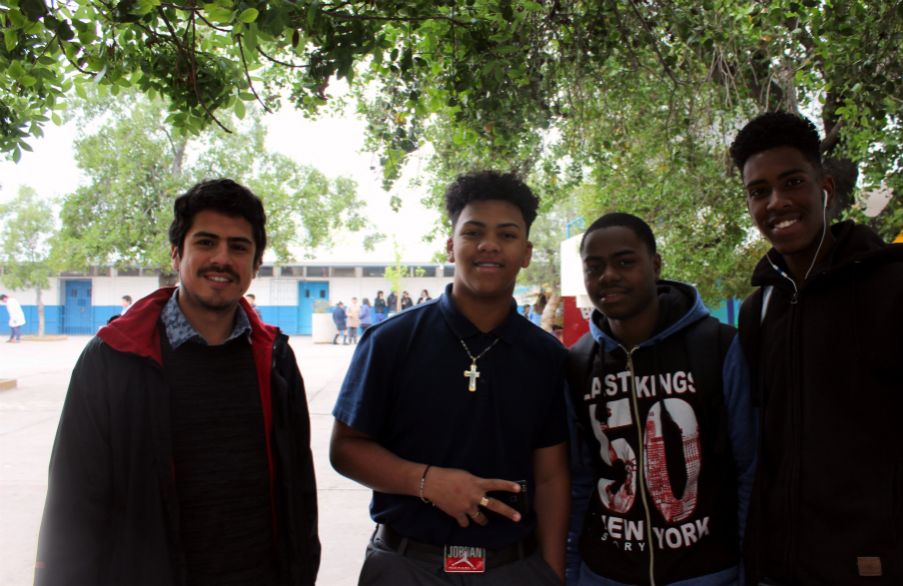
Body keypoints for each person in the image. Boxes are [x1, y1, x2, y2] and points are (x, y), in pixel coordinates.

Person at [730, 111, 903, 585]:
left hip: (880, 569)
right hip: (779, 571)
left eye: (792, 182)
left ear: (825, 188)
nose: (777, 201)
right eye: (759, 190)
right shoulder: (760, 311)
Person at [34, 178, 321, 586]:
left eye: (239, 247)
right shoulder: (113, 358)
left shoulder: (276, 360)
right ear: (176, 253)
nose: (221, 258)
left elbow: (299, 489)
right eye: (206, 242)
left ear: (256, 265)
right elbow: (74, 501)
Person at [330, 170, 570, 585]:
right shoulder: (391, 341)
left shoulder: (547, 356)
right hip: (406, 566)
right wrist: (427, 482)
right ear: (450, 245)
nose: (489, 245)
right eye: (473, 232)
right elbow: (346, 449)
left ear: (526, 253)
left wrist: (551, 573)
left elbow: (550, 477)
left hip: (513, 570)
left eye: (507, 235)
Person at [565, 213, 755, 586]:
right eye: (594, 267)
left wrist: (749, 568)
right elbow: (579, 479)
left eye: (624, 262)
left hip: (707, 572)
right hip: (606, 573)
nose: (608, 276)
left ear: (655, 265)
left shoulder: (719, 346)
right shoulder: (579, 362)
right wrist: (573, 572)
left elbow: (749, 468)